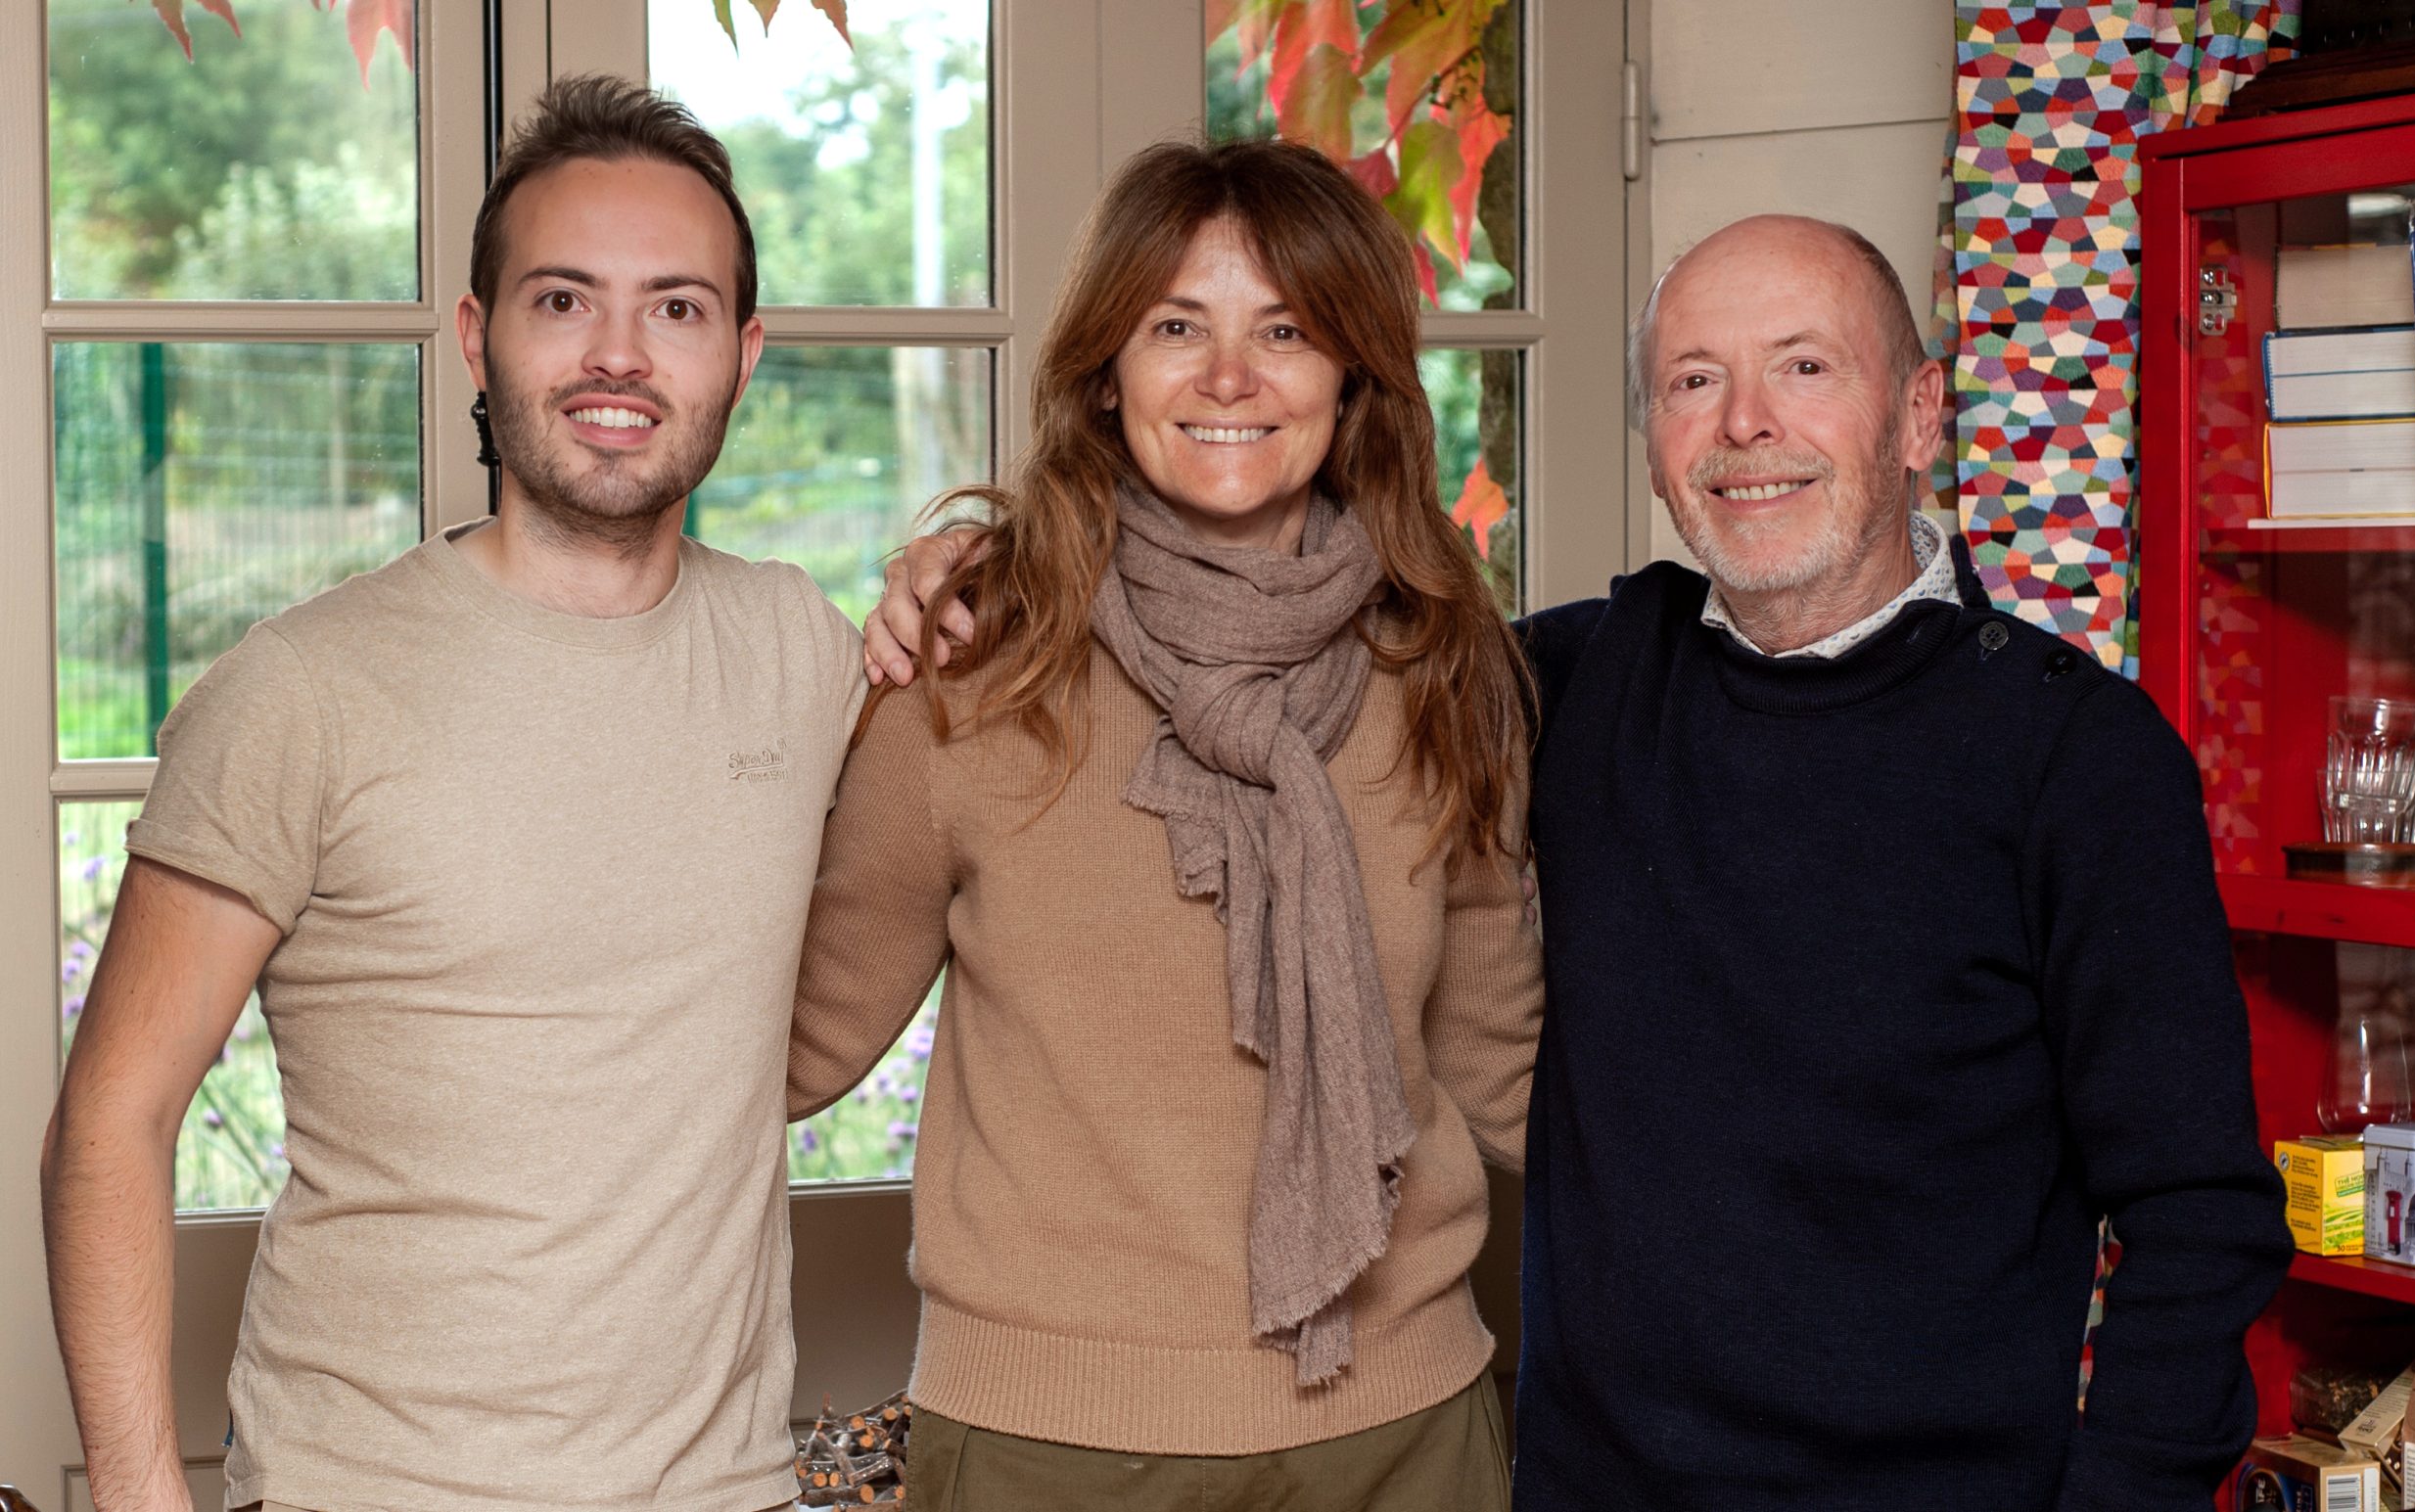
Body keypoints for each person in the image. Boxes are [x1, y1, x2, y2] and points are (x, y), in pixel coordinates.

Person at [865, 213, 2294, 1510]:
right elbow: (1283, 636)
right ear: (1656, 434)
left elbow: (2199, 1214)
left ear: (1921, 412)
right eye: (1693, 381)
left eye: (1805, 368)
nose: (1747, 426)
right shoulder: (1558, 686)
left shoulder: (2078, 759)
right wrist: (990, 571)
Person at [41, 76, 863, 1512]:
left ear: (744, 351)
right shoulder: (305, 688)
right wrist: (136, 1490)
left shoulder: (804, 651)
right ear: (478, 341)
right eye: (563, 301)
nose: (619, 354)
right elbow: (112, 1115)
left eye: (675, 307)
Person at [785, 137, 1544, 1511]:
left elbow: (1510, 1059)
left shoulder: (1442, 664)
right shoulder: (975, 665)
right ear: (1106, 369)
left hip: (1406, 1437)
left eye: (1288, 330)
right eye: (1176, 326)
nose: (1230, 378)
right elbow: (796, 1036)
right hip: (1046, 1445)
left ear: (1354, 374)